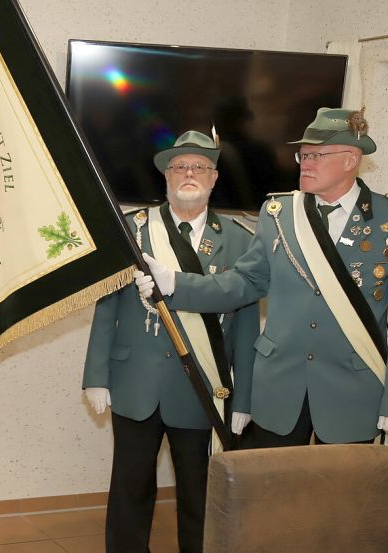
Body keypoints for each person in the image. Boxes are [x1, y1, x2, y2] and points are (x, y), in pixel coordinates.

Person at [139, 108, 388, 449]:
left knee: (341, 500)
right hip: (279, 389)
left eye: (316, 155)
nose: (304, 162)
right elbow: (244, 283)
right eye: (302, 155)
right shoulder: (280, 213)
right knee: (273, 496)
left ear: (350, 160)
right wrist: (175, 283)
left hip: (353, 389)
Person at [83, 130, 259, 553]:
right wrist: (95, 376)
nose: (189, 174)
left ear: (215, 178)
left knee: (200, 496)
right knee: (129, 491)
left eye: (199, 167)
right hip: (135, 383)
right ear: (165, 175)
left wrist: (246, 398)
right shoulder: (132, 231)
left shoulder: (240, 240)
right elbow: (106, 306)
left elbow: (248, 324)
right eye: (179, 166)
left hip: (202, 389)